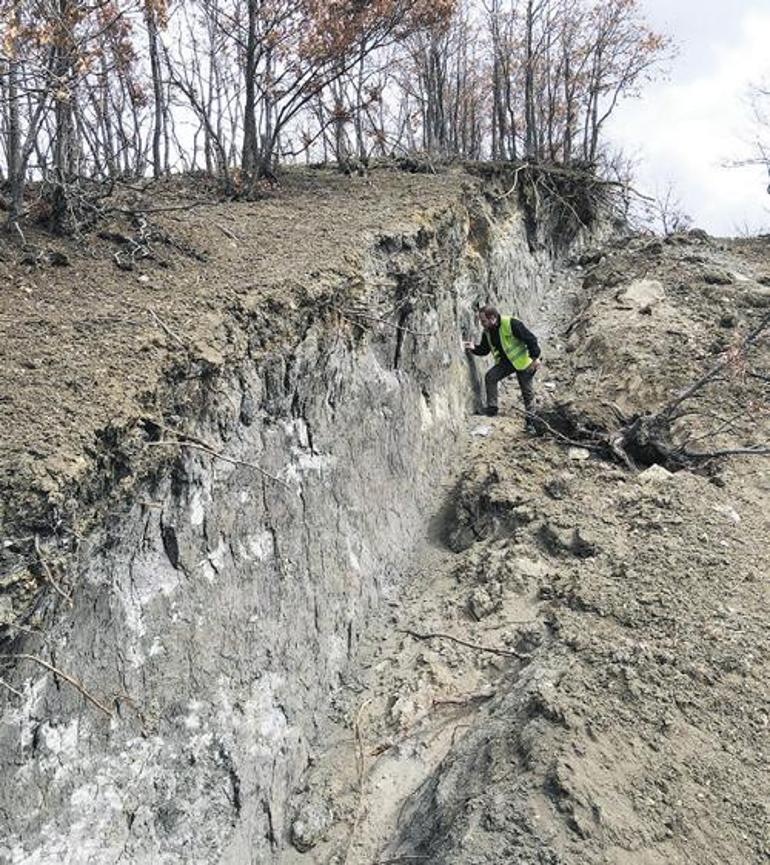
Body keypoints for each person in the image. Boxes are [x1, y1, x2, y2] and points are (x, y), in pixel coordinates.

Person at [463, 305, 542, 430]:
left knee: (527, 392)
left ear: (493, 318)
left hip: (524, 361)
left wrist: (535, 358)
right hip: (506, 363)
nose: (481, 324)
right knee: (491, 377)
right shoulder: (488, 332)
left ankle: (531, 421)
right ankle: (492, 408)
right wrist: (474, 348)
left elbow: (531, 339)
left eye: (483, 321)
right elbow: (485, 350)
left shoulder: (511, 323)